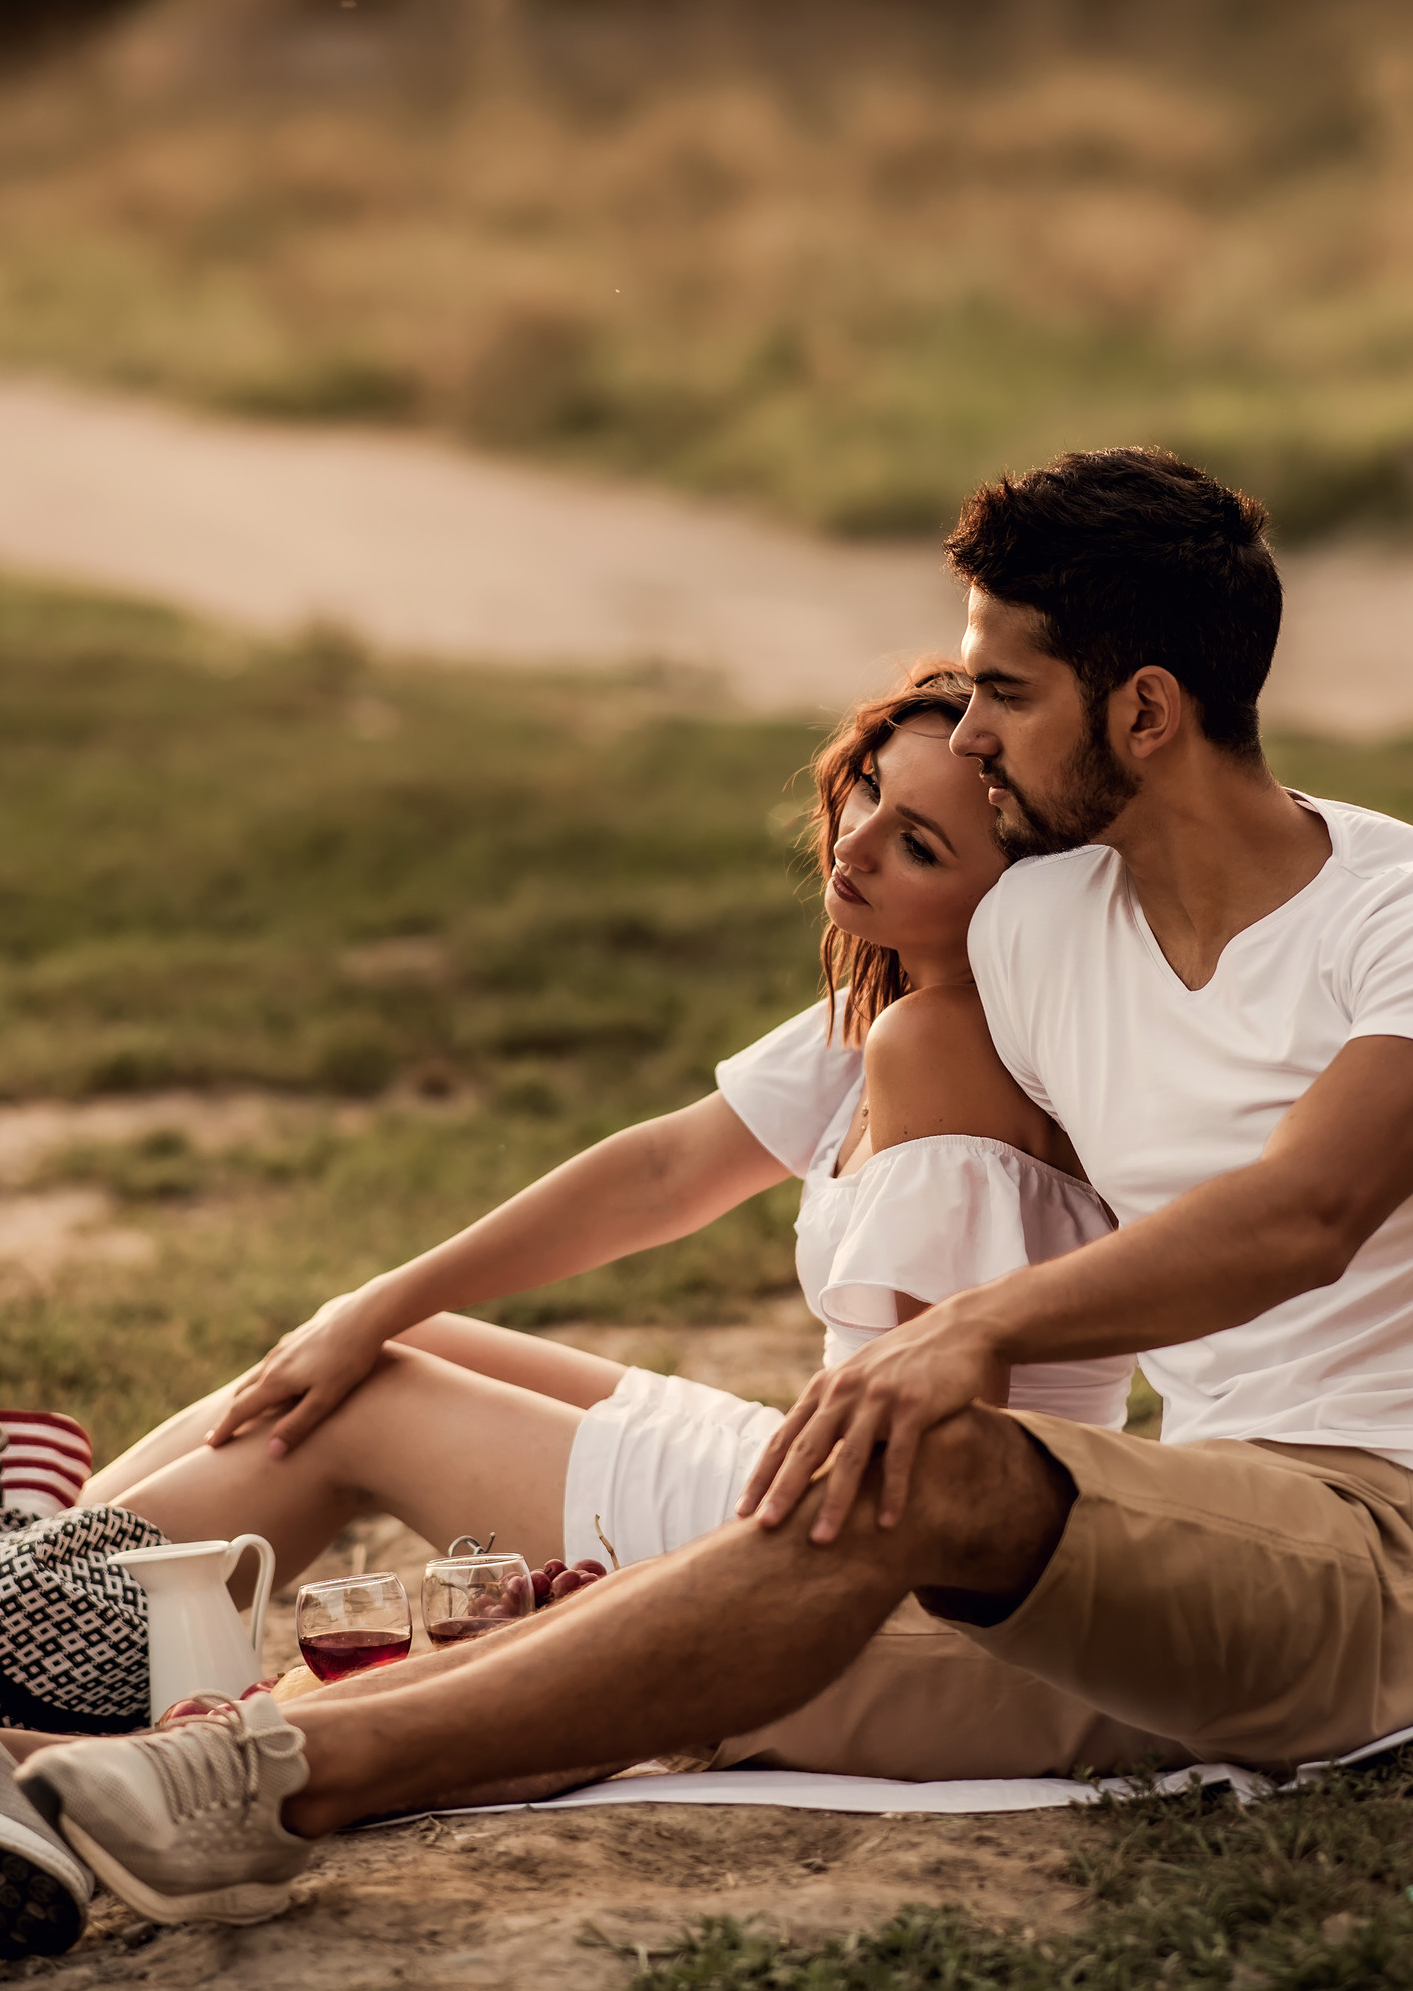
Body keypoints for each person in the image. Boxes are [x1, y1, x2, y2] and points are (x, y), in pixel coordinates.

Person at [0, 446, 1413, 1955]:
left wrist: (973, 1331)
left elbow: (1305, 1214)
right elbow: (704, 1144)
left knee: (890, 1457)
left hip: (1411, 1560)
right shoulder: (1040, 918)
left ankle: (220, 1787)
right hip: (1144, 1570)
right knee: (704, 1580)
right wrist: (379, 1297)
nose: (971, 729)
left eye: (1005, 689)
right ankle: (43, 1762)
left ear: (1149, 708)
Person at [62, 657, 1124, 1729]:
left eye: (918, 844)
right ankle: (25, 1575)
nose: (852, 842)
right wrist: (371, 1301)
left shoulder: (942, 1039)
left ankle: (17, 1628)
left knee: (363, 1402)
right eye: (868, 791)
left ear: (1016, 906)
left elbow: (940, 1457)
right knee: (375, 1340)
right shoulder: (897, 1005)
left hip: (847, 1541)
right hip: (800, 1459)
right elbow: (660, 1174)